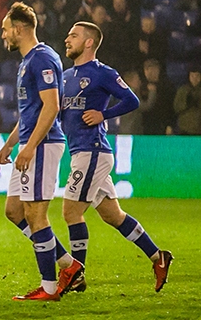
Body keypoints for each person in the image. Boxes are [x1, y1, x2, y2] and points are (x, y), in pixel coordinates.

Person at [60, 21, 173, 293]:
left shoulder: (102, 73)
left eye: (73, 36)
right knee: (113, 215)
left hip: (93, 151)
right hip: (80, 151)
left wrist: (103, 114)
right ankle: (159, 257)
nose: (67, 39)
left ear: (89, 42)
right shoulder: (65, 76)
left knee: (71, 212)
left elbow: (131, 100)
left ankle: (76, 274)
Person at [0, 2, 82, 301]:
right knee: (14, 210)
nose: (3, 35)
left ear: (19, 30)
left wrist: (29, 147)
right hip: (32, 142)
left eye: (6, 29)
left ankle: (49, 288)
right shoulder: (27, 61)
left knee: (36, 215)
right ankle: (69, 266)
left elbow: (52, 107)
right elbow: (31, 112)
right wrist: (10, 143)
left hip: (44, 144)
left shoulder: (42, 58)